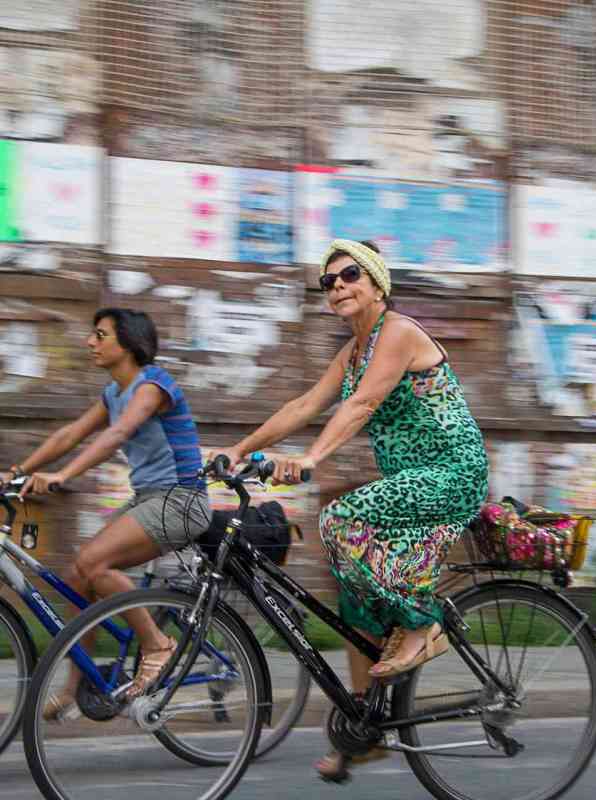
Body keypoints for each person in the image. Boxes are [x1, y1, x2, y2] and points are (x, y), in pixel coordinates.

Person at [210, 239, 488, 779]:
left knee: (339, 519)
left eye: (350, 275)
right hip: (411, 482)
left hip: (452, 472)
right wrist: (239, 450)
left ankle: (423, 626)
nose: (336, 285)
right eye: (328, 281)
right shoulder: (352, 354)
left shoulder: (400, 332)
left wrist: (312, 457)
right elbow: (303, 406)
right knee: (354, 598)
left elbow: (360, 406)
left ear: (377, 285)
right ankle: (363, 727)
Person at [1, 308, 210, 716]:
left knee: (94, 562)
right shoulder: (113, 393)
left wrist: (63, 475)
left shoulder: (153, 385)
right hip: (151, 498)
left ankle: (158, 645)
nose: (90, 342)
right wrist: (18, 471)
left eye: (100, 335)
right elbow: (70, 434)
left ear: (128, 342)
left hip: (182, 500)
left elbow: (119, 433)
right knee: (79, 575)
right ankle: (75, 690)